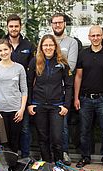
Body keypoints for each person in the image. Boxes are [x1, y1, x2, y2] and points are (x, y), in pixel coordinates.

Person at [27, 34, 73, 163]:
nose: (48, 47)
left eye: (51, 45)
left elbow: (69, 85)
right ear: (41, 47)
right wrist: (30, 104)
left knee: (57, 138)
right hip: (39, 105)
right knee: (43, 138)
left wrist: (66, 105)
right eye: (45, 45)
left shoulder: (62, 62)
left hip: (57, 106)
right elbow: (29, 83)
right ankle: (47, 165)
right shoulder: (35, 61)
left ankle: (58, 165)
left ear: (55, 46)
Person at [74, 25, 103, 171]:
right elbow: (78, 76)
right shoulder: (83, 54)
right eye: (93, 35)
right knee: (85, 131)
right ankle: (85, 157)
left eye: (98, 35)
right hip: (85, 99)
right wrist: (76, 98)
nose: (95, 38)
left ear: (102, 36)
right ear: (89, 37)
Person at [0, 39, 27, 154]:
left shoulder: (19, 68)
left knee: (14, 143)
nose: (3, 52)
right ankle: (3, 168)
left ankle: (13, 167)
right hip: (0, 111)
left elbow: (24, 90)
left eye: (5, 49)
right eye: (0, 50)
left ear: (10, 49)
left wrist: (22, 109)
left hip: (16, 111)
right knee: (2, 144)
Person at [5, 14, 35, 158]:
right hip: (5, 97)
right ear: (7, 27)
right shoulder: (2, 45)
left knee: (24, 128)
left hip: (23, 94)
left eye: (16, 26)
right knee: (7, 131)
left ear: (20, 27)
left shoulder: (29, 45)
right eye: (11, 26)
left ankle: (25, 157)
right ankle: (10, 158)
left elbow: (33, 71)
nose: (14, 29)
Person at [51, 13, 78, 165]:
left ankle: (64, 152)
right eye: (55, 23)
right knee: (48, 125)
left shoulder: (72, 42)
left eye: (60, 22)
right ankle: (50, 154)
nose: (57, 25)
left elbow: (71, 66)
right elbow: (41, 63)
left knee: (63, 125)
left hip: (62, 91)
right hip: (47, 91)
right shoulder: (47, 41)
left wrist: (52, 67)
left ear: (64, 24)